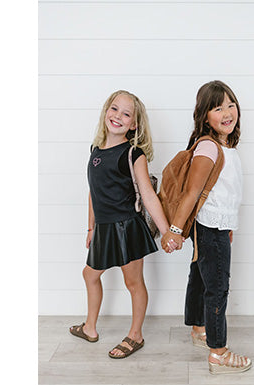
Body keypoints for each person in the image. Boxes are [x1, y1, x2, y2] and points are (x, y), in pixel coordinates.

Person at [69, 90, 183, 359]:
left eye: (126, 113)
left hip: (126, 228)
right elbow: (93, 192)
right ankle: (90, 328)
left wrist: (167, 231)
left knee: (133, 282)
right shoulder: (95, 150)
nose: (118, 116)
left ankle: (136, 335)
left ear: (134, 124)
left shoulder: (133, 154)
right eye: (114, 108)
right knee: (90, 274)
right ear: (106, 111)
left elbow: (148, 195)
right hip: (105, 229)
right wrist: (91, 227)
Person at [161, 81, 252, 374]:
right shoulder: (209, 147)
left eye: (230, 104)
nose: (227, 112)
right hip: (210, 227)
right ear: (204, 116)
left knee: (201, 277)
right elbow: (191, 192)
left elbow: (224, 192)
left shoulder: (224, 146)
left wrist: (228, 224)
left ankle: (199, 329)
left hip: (216, 225)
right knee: (218, 287)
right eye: (217, 107)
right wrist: (174, 230)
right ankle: (219, 352)